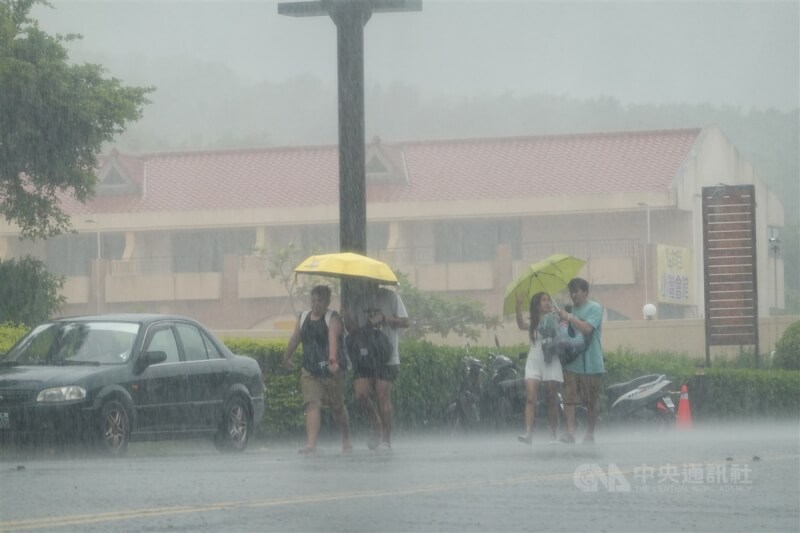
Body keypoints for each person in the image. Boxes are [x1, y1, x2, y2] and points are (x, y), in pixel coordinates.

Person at [283, 285, 352, 454]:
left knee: (337, 407)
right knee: (312, 404)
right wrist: (286, 357)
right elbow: (295, 339)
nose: (316, 304)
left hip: (331, 371)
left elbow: (333, 339)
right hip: (310, 370)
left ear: (328, 302)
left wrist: (333, 360)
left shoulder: (332, 318)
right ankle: (311, 444)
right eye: (313, 300)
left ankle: (346, 438)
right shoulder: (304, 317)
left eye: (320, 300)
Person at [344, 281, 409, 451]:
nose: (367, 284)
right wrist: (347, 318)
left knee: (382, 394)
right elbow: (352, 329)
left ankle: (386, 439)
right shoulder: (357, 300)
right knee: (360, 395)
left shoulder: (391, 297)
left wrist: (384, 318)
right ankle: (376, 422)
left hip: (386, 355)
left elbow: (405, 322)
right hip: (365, 355)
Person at [555, 277, 604, 444]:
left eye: (576, 291)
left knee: (592, 399)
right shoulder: (568, 310)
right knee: (569, 398)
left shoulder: (595, 308)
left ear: (585, 292)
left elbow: (587, 328)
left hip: (592, 362)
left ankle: (590, 433)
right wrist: (560, 320)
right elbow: (562, 336)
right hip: (572, 363)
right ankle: (570, 432)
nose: (573, 295)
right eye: (571, 292)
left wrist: (569, 317)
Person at [515, 291, 564, 444]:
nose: (547, 302)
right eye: (543, 300)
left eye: (548, 300)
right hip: (534, 362)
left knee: (551, 398)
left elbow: (563, 331)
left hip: (551, 361)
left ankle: (553, 433)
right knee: (530, 398)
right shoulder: (533, 323)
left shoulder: (555, 319)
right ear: (537, 305)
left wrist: (558, 314)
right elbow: (520, 324)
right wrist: (518, 306)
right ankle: (528, 433)